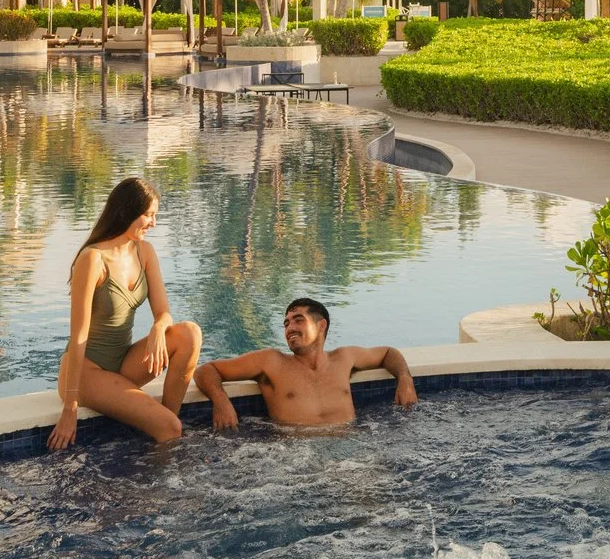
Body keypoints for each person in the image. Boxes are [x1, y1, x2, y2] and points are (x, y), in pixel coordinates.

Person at [49, 177, 201, 449]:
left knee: (189, 334)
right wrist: (70, 408)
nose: (153, 223)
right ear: (127, 212)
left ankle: (165, 422)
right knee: (171, 429)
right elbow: (79, 336)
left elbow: (164, 311)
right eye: (148, 215)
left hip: (123, 362)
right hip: (87, 372)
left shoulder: (144, 252)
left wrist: (157, 328)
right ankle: (166, 432)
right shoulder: (93, 259)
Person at [194, 298, 417, 430]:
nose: (290, 328)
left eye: (298, 320)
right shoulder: (271, 362)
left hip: (349, 451)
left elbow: (389, 353)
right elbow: (206, 370)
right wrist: (221, 401)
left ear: (321, 326)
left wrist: (405, 379)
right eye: (286, 323)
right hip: (296, 457)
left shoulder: (344, 358)